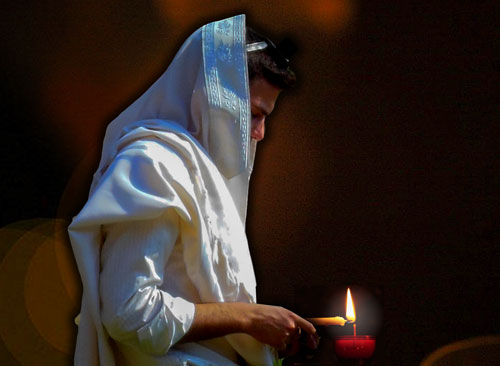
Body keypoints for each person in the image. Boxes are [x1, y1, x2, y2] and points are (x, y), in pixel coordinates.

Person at [69, 15, 318, 366]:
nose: (260, 133)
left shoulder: (194, 172)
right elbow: (130, 313)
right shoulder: (152, 165)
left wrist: (263, 335)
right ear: (217, 100)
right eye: (255, 115)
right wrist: (249, 319)